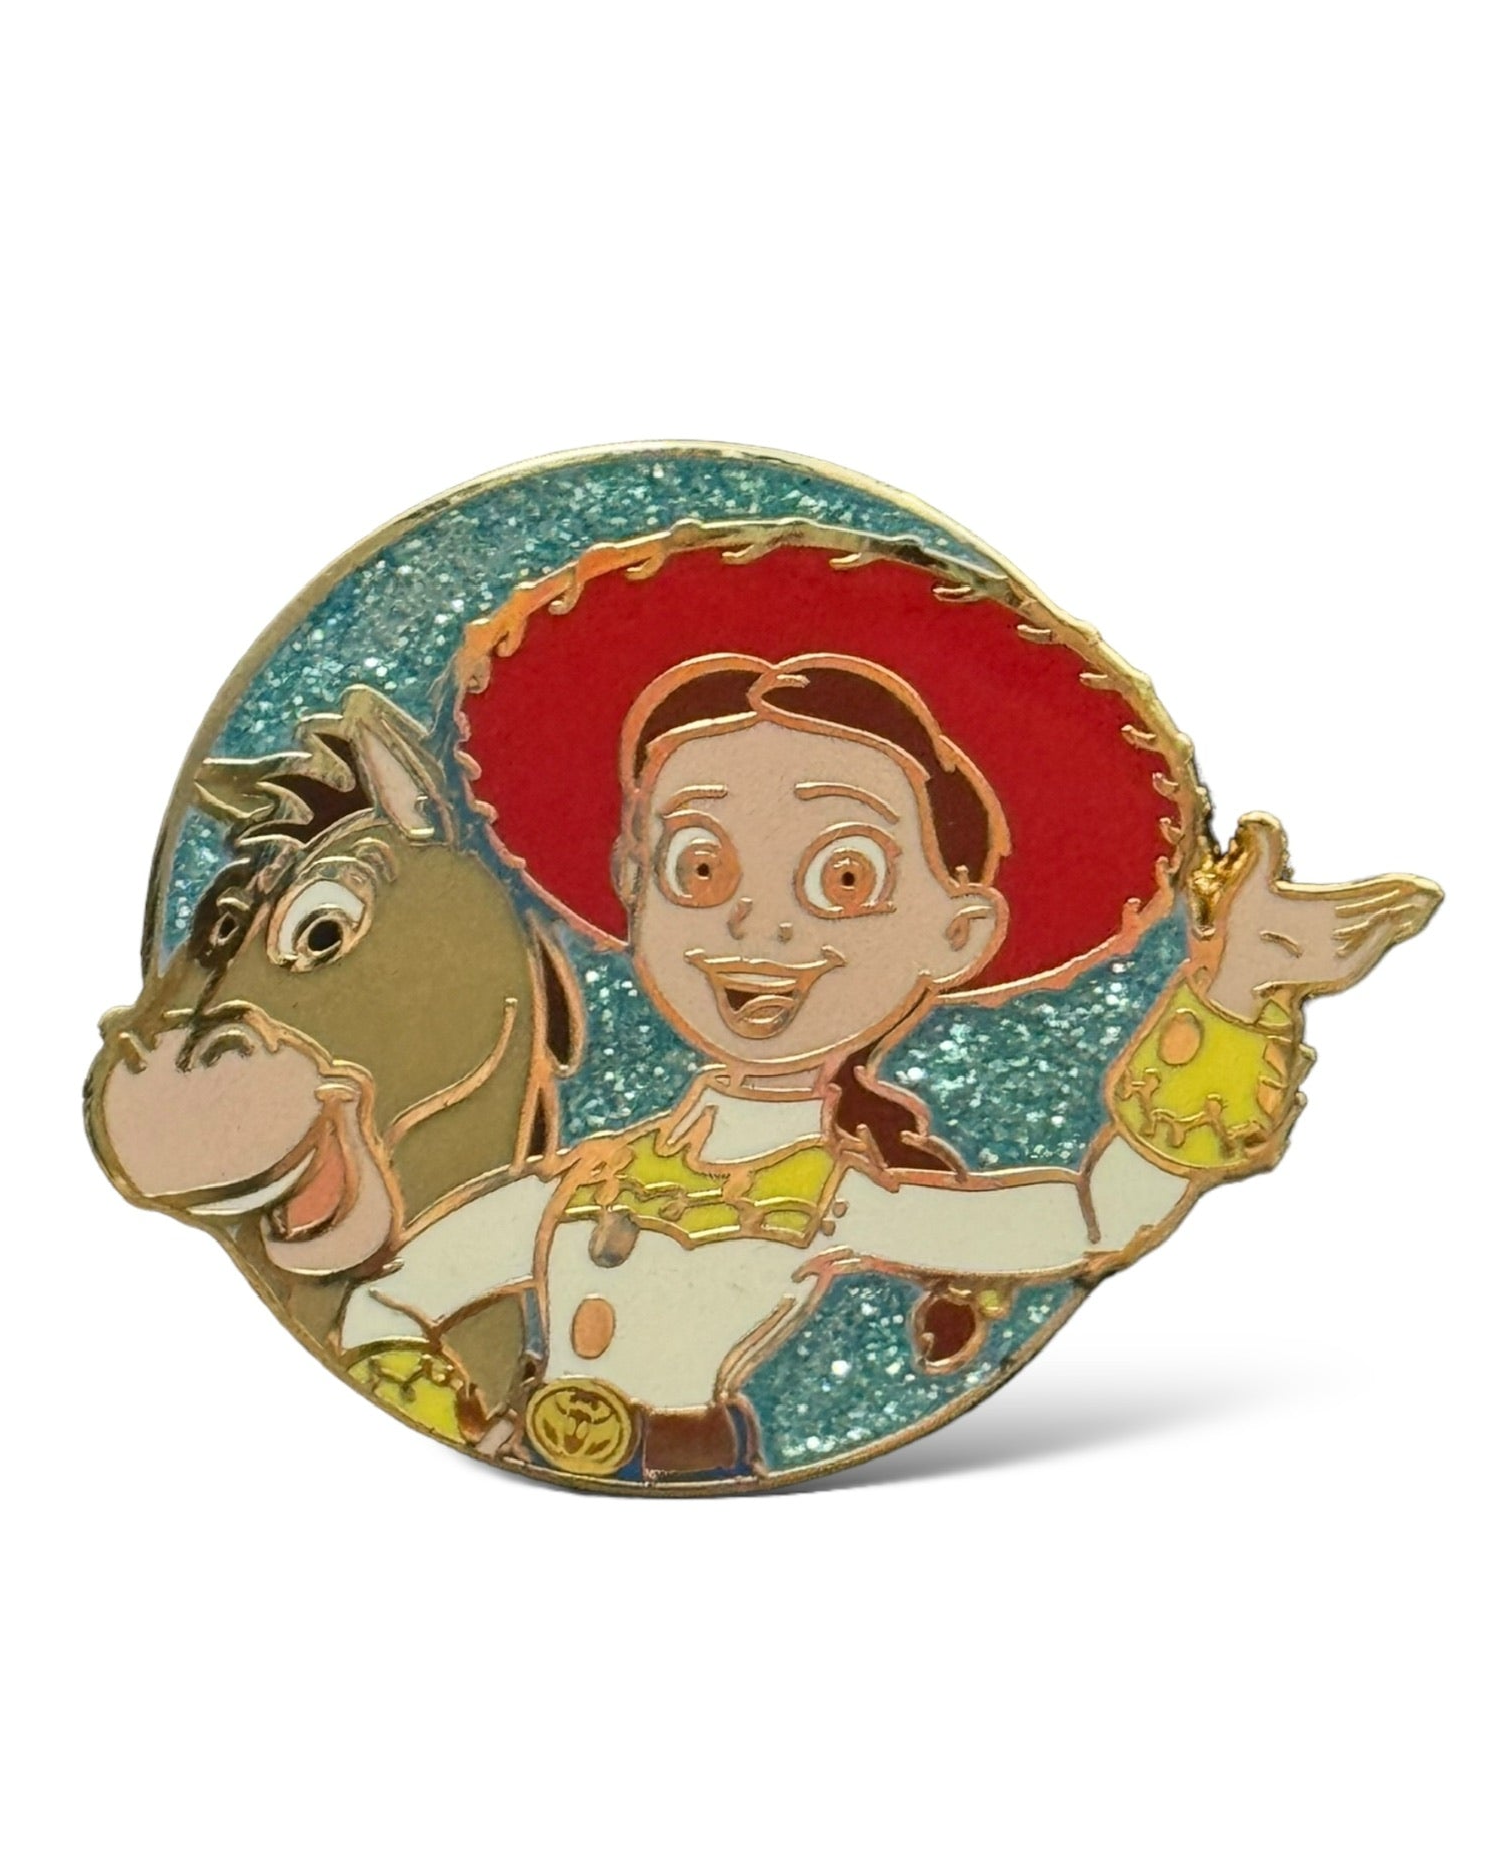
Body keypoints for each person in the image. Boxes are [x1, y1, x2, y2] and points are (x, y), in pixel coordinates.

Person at [337, 525, 1437, 1482]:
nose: (758, 927)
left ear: (958, 933)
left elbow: (1099, 1218)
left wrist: (1235, 995)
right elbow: (381, 1304)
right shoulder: (583, 1186)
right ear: (631, 882)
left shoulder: (837, 1204)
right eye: (700, 866)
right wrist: (464, 1420)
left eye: (845, 877)